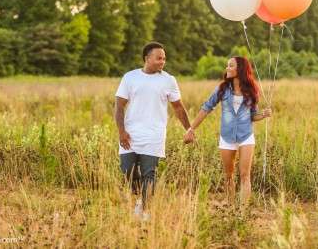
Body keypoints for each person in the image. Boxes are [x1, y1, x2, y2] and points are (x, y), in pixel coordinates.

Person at [114, 42, 195, 220]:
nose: (162, 61)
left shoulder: (168, 80)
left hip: (154, 135)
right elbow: (119, 106)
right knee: (127, 170)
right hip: (130, 134)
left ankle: (146, 210)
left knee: (149, 173)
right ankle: (138, 201)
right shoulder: (130, 77)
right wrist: (121, 131)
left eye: (164, 58)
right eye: (159, 58)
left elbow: (178, 108)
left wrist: (189, 128)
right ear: (147, 58)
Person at [184, 56, 271, 205]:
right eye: (227, 66)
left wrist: (263, 114)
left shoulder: (251, 90)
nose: (227, 68)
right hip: (227, 136)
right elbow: (206, 108)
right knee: (229, 175)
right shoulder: (222, 89)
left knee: (245, 174)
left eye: (231, 66)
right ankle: (230, 206)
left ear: (240, 69)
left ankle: (243, 212)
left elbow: (253, 116)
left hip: (246, 136)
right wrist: (191, 128)